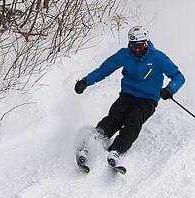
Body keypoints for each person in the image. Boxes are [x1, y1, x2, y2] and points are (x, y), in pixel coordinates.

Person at [74, 26, 185, 166]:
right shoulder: (124, 54)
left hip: (148, 99)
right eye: (133, 46)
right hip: (127, 95)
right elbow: (103, 70)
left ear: (146, 42)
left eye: (140, 46)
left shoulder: (158, 58)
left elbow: (178, 76)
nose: (137, 50)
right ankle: (90, 144)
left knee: (134, 120)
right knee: (114, 117)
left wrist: (170, 89)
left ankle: (116, 150)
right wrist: (85, 81)